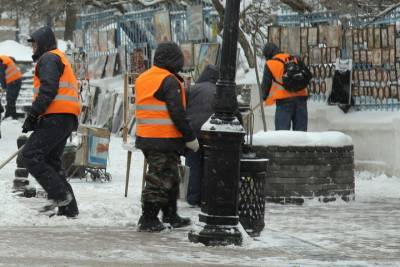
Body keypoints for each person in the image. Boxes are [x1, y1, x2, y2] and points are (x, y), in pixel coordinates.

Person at [135, 41, 199, 232]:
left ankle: (171, 215)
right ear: (173, 60)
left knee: (170, 176)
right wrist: (189, 137)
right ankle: (148, 218)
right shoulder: (169, 80)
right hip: (164, 138)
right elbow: (177, 112)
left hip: (147, 136)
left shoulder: (144, 77)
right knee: (159, 178)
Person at [19, 26, 80, 218]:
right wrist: (39, 117)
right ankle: (69, 208)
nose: (33, 49)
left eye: (35, 44)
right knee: (50, 160)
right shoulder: (56, 57)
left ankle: (60, 195)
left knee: (30, 154)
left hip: (57, 117)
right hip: (63, 117)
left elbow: (48, 89)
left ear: (43, 43)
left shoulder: (48, 59)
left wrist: (33, 115)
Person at [185, 64, 218, 207]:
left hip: (193, 132)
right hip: (212, 133)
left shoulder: (192, 89)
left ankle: (193, 197)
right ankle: (207, 197)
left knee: (193, 165)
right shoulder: (220, 90)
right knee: (210, 164)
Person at [261, 43, 308, 131]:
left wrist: (264, 98)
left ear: (268, 54)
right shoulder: (293, 58)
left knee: (281, 134)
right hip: (301, 99)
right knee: (301, 135)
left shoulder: (270, 64)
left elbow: (265, 86)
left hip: (284, 102)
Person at [0, 54, 23, 119]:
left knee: (10, 99)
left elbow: (2, 75)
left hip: (13, 81)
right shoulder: (4, 58)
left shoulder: (1, 61)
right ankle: (10, 115)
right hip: (16, 80)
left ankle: (11, 116)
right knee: (11, 99)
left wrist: (4, 86)